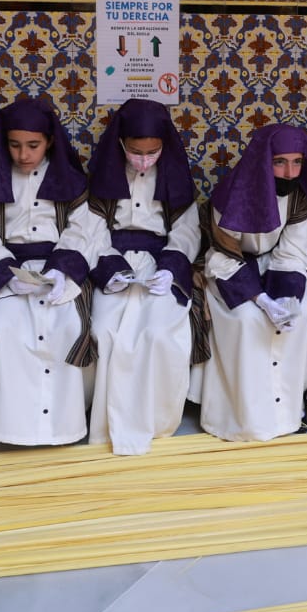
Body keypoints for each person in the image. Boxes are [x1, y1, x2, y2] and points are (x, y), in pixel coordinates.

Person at [0, 99, 106, 445]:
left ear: (49, 142)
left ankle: (65, 423)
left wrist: (61, 271)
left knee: (68, 326)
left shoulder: (70, 181)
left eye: (33, 145)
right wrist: (7, 276)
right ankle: (15, 425)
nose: (23, 155)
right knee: (1, 330)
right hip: (8, 275)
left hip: (59, 271)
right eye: (14, 145)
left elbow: (84, 230)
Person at [83, 100, 204, 454]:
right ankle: (107, 422)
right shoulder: (104, 175)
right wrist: (110, 268)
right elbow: (91, 231)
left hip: (159, 264)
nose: (144, 160)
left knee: (161, 333)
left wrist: (170, 268)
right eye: (136, 152)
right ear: (121, 143)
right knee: (105, 329)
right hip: (114, 263)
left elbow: (187, 230)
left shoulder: (175, 176)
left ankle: (157, 422)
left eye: (152, 152)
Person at [198, 123, 307, 442]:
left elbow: (294, 249)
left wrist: (285, 298)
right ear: (263, 160)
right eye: (280, 162)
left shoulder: (299, 196)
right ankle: (246, 414)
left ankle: (290, 408)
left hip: (276, 263)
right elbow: (223, 252)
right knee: (247, 320)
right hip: (229, 268)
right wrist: (262, 300)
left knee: (304, 315)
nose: (289, 172)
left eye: (297, 162)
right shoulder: (230, 194)